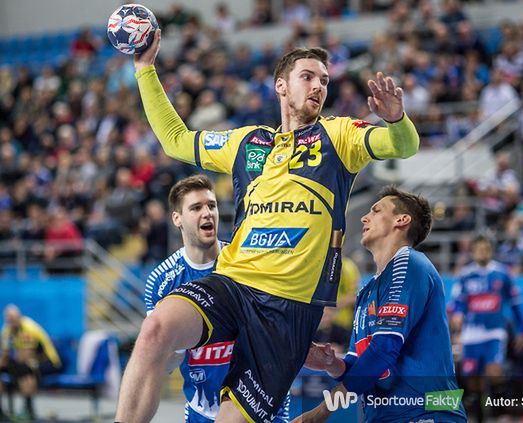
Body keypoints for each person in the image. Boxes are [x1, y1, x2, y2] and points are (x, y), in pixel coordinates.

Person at [116, 30, 420, 423]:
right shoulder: (247, 143)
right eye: (308, 77)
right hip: (233, 283)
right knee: (156, 328)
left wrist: (396, 118)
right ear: (281, 85)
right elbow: (176, 141)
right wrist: (145, 69)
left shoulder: (339, 135)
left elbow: (403, 145)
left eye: (324, 80)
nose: (318, 86)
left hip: (287, 312)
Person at [295, 186, 466, 422]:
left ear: (402, 220)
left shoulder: (409, 263)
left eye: (376, 211)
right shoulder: (367, 289)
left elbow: (384, 349)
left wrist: (319, 413)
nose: (365, 217)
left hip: (425, 412)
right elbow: (360, 364)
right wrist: (331, 364)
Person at [144, 174, 289, 422]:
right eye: (196, 207)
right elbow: (162, 365)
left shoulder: (246, 261)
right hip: (202, 412)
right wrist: (174, 344)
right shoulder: (161, 281)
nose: (207, 213)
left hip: (260, 407)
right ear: (177, 218)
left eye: (211, 205)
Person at [450, 236, 523, 420]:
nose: (482, 252)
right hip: (471, 333)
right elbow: (457, 303)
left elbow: (515, 303)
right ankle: (479, 418)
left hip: (494, 331)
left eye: (486, 248)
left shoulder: (502, 273)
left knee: (494, 372)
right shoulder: (465, 275)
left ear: (490, 250)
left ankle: (501, 415)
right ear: (473, 251)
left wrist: (522, 330)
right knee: (473, 380)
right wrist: (458, 316)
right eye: (479, 249)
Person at [0, 304, 62, 420]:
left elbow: (24, 357)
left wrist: (7, 361)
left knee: (25, 369)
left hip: (49, 362)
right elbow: (4, 356)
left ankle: (28, 410)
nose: (11, 321)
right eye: (8, 319)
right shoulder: (6, 330)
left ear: (19, 317)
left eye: (13, 318)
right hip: (28, 361)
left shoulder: (28, 328)